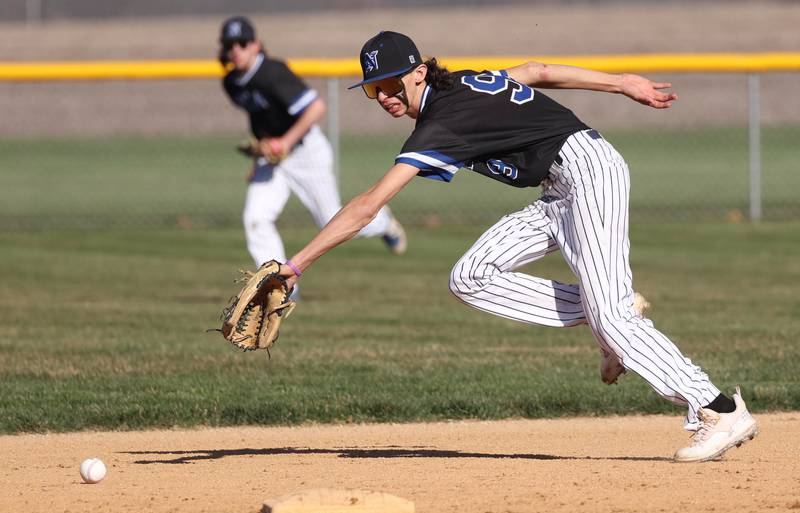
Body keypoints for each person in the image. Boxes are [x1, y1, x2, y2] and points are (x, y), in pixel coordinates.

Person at [276, 31, 758, 462]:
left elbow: (367, 206)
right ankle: (604, 309)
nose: (382, 95)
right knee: (471, 276)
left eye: (391, 82)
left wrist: (295, 265)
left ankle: (717, 408)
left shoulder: (442, 121)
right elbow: (535, 71)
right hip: (556, 190)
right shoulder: (457, 84)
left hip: (588, 173)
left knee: (614, 316)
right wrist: (620, 82)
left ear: (419, 72)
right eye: (373, 89)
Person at [218, 17, 407, 273]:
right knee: (255, 219)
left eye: (242, 43)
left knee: (331, 222)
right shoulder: (232, 83)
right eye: (230, 45)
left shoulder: (272, 72)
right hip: (273, 159)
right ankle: (277, 286)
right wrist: (258, 157)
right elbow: (260, 117)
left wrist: (285, 141)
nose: (236, 50)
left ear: (255, 44)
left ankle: (382, 222)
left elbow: (316, 108)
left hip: (305, 151)